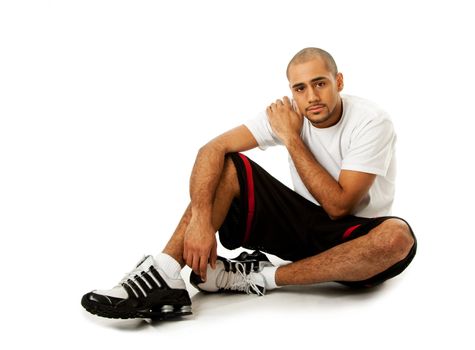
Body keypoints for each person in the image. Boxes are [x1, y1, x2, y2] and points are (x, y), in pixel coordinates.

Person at [81, 47, 417, 320]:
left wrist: (290, 137)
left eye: (320, 83)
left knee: (397, 238)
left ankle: (256, 277)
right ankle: (166, 272)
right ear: (291, 92)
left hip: (354, 239)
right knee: (228, 167)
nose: (311, 96)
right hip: (302, 229)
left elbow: (339, 206)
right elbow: (211, 149)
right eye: (300, 88)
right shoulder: (291, 114)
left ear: (338, 81)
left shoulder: (372, 121)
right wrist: (200, 221)